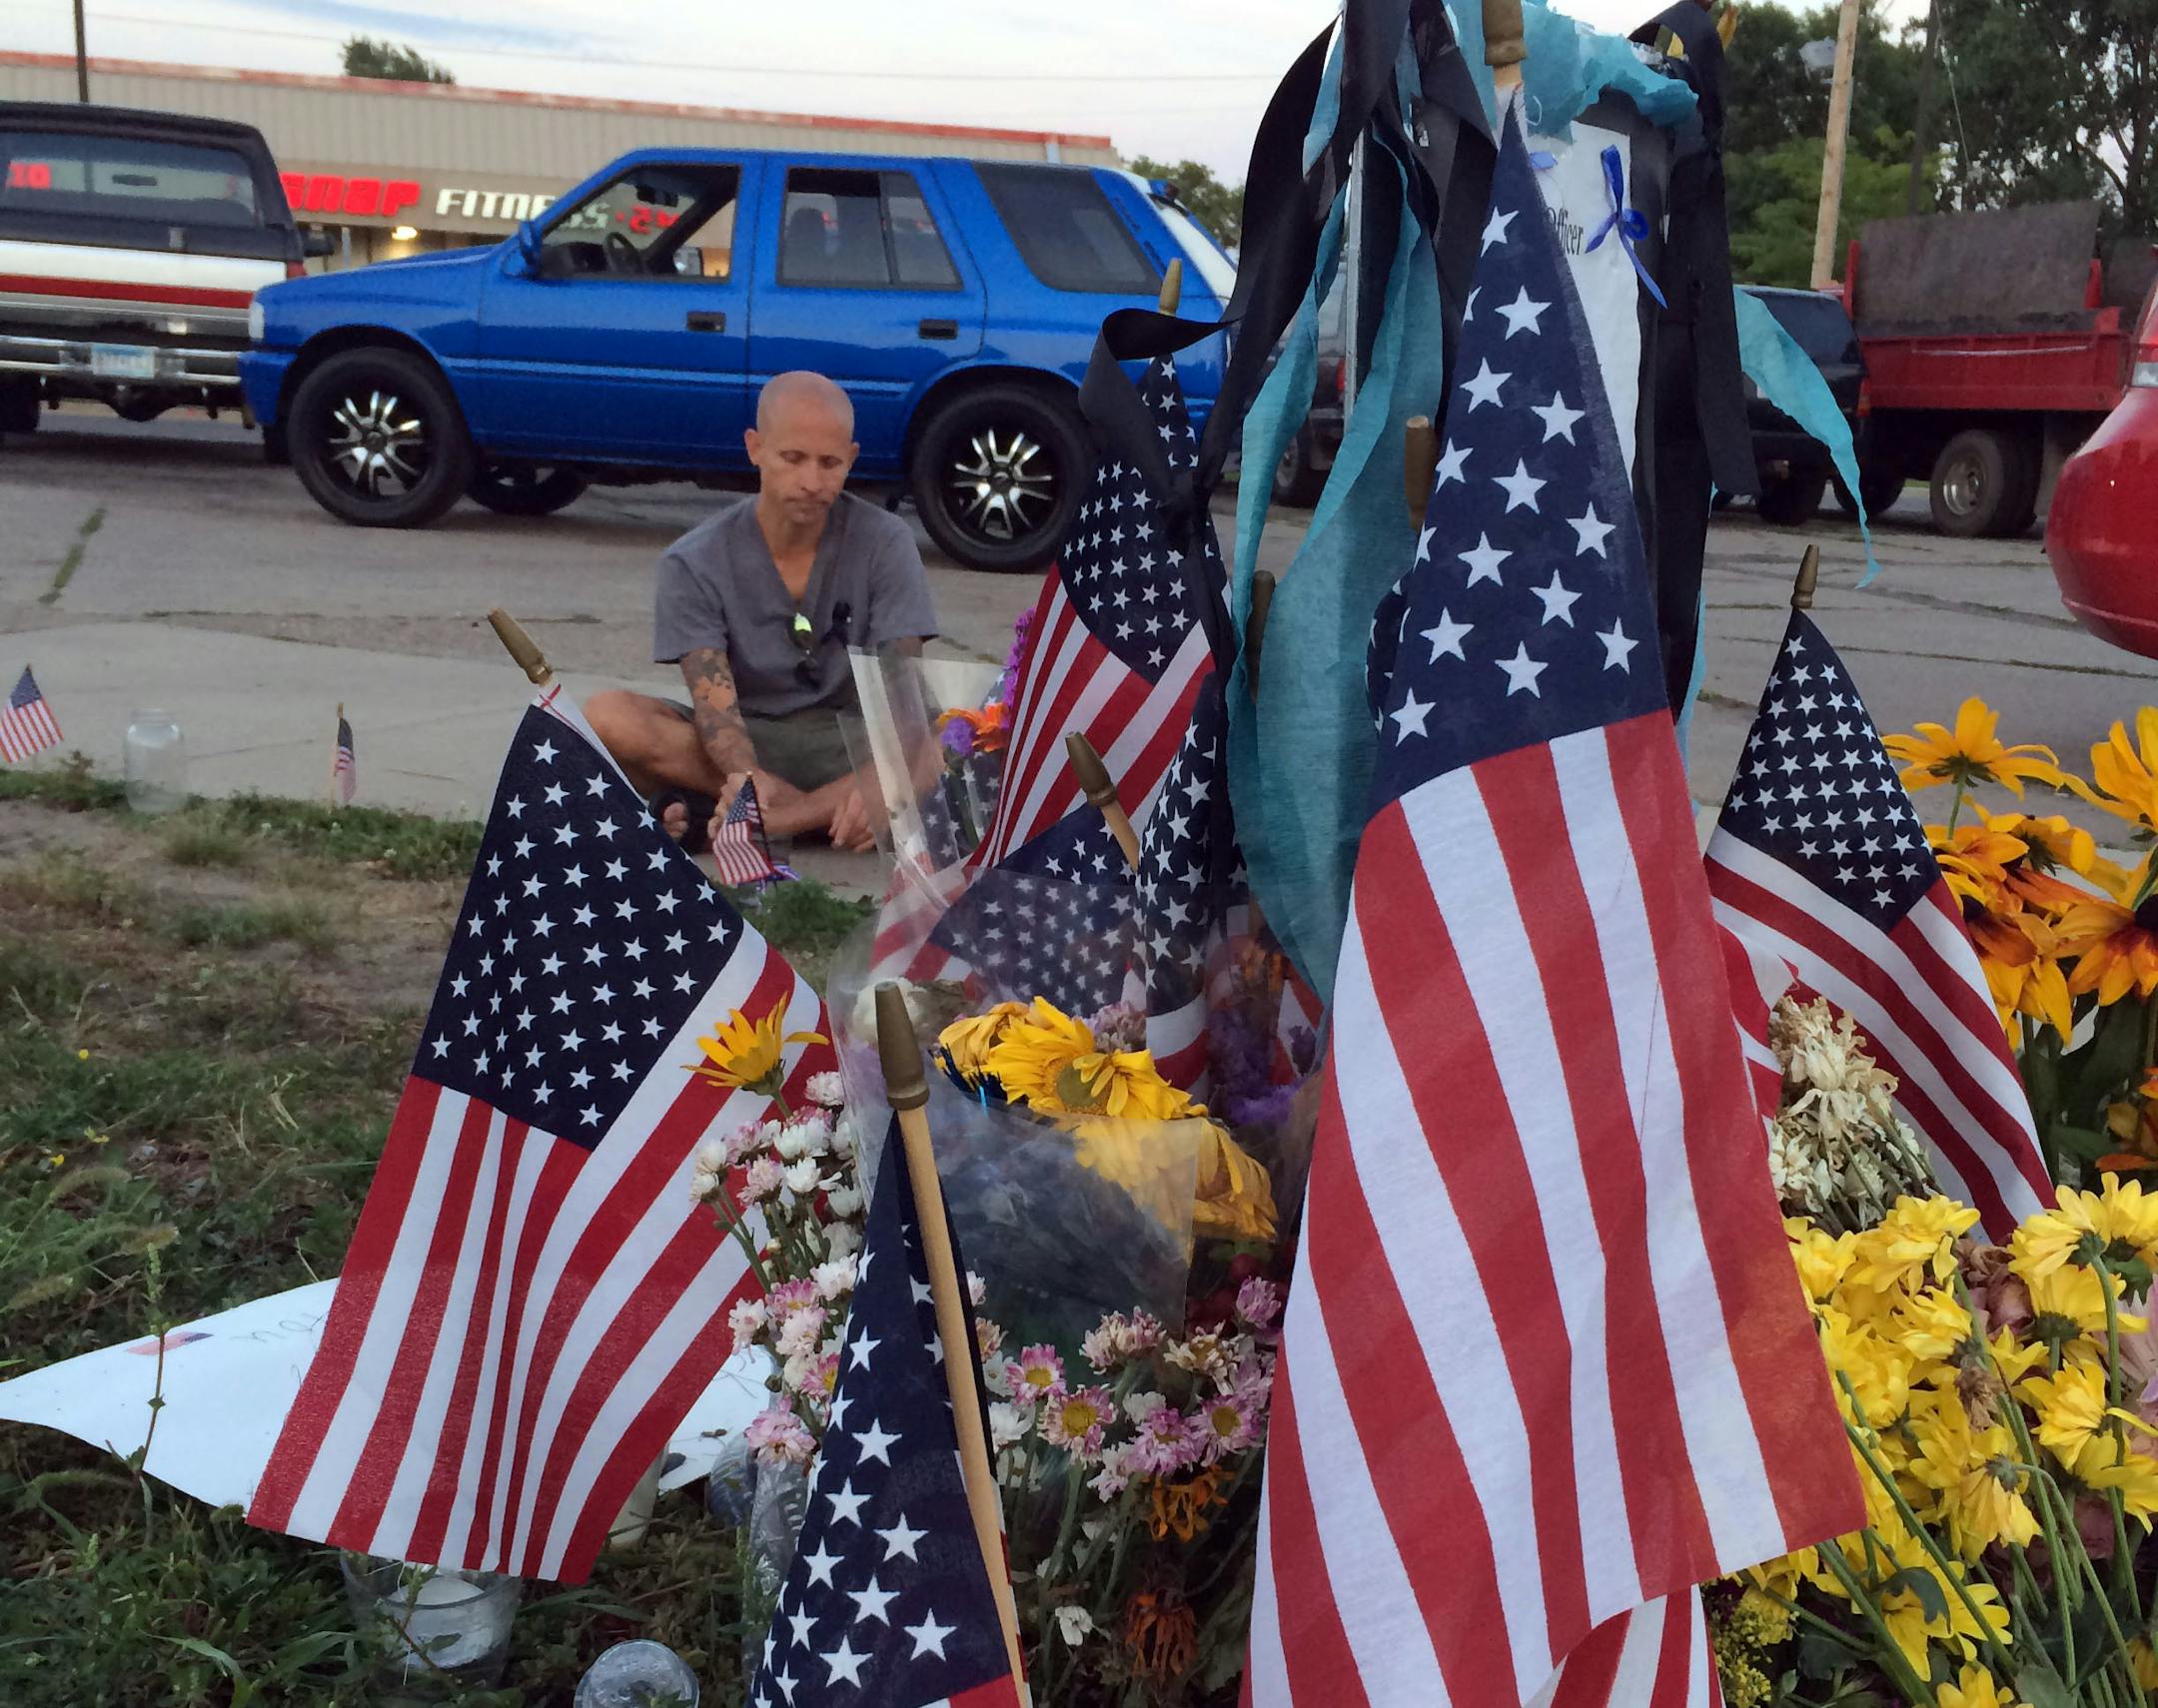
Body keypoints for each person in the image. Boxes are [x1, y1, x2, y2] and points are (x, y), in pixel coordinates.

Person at [586, 371, 937, 852]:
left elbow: (904, 695)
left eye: (829, 463)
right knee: (606, 717)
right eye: (792, 458)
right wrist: (746, 776)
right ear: (755, 448)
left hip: (852, 742)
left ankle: (777, 822)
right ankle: (825, 815)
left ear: (852, 459)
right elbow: (715, 710)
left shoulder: (886, 541)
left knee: (962, 736)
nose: (811, 481)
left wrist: (877, 780)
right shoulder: (693, 560)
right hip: (750, 742)